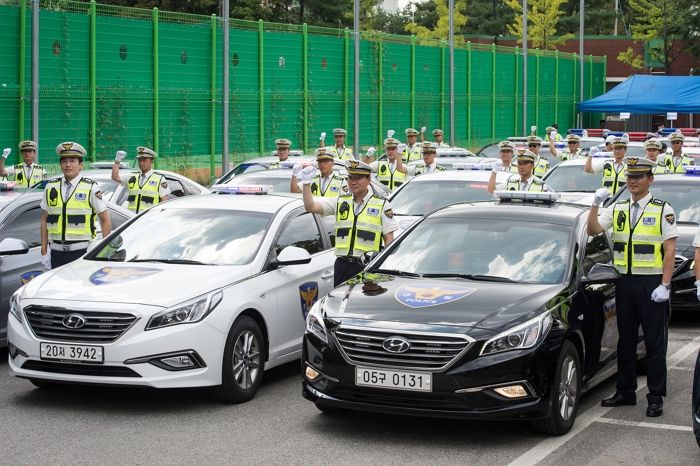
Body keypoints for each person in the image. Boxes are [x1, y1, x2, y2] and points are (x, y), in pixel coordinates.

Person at [587, 156, 677, 418]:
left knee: (654, 342)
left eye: (639, 177)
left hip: (651, 284)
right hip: (624, 282)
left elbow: (669, 251)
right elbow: (593, 230)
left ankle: (655, 396)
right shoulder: (618, 208)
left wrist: (666, 285)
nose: (633, 181)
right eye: (630, 177)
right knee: (625, 341)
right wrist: (595, 205)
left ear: (650, 179)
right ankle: (625, 391)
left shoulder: (662, 209)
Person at [301, 160, 397, 286]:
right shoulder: (340, 201)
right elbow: (310, 207)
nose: (352, 182)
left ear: (368, 180)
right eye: (350, 178)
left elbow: (389, 240)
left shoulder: (382, 204)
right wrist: (306, 183)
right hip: (342, 266)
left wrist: (383, 268)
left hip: (367, 266)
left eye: (358, 178)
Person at [40, 142, 112, 269]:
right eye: (64, 161)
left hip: (82, 252)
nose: (68, 165)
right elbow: (44, 219)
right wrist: (44, 251)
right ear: (60, 164)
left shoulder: (91, 187)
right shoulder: (51, 186)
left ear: (80, 165)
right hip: (56, 253)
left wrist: (106, 250)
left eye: (72, 161)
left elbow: (105, 219)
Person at [112, 146, 170, 213]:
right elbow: (115, 177)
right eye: (139, 160)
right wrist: (117, 160)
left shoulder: (159, 179)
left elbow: (164, 202)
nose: (141, 163)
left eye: (144, 160)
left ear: (151, 161)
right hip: (132, 219)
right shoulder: (132, 177)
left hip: (149, 219)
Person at [487, 150, 552, 193]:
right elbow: (491, 190)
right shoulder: (510, 183)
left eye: (525, 163)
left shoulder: (541, 186)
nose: (522, 166)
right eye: (520, 163)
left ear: (533, 165)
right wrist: (494, 172)